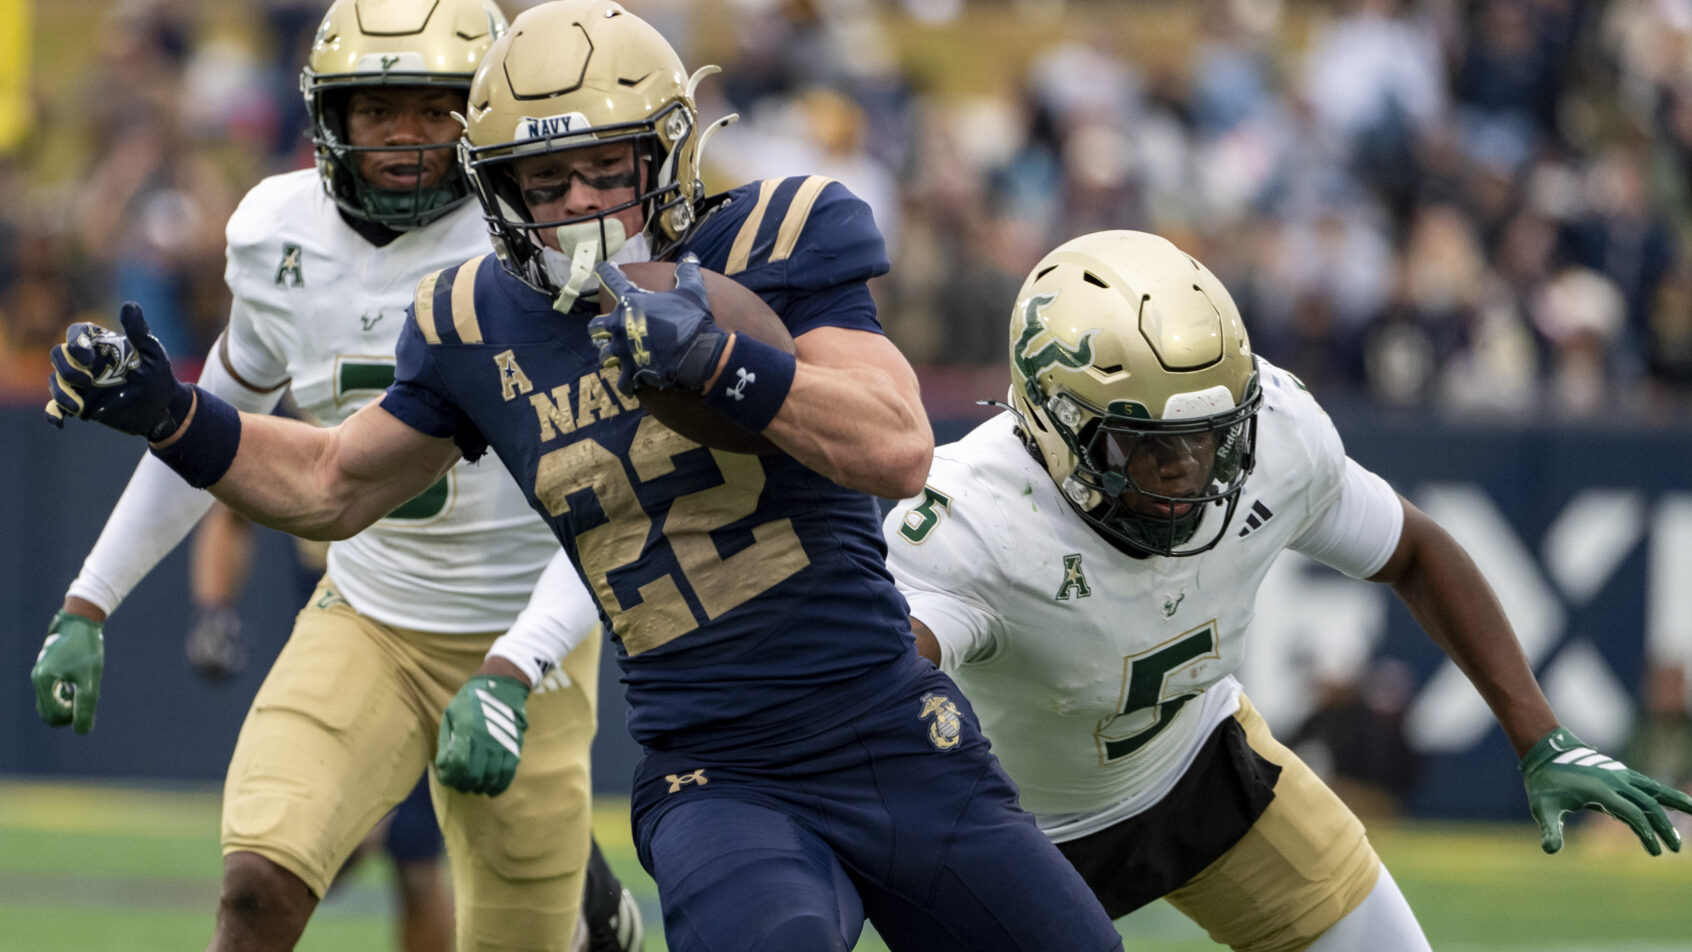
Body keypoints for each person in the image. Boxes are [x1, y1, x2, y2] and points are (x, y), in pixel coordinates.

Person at [37, 3, 1126, 951]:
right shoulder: (474, 318)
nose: (578, 206)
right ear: (497, 189)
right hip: (717, 770)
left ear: (668, 155)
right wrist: (174, 415)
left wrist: (722, 360)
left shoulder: (779, 238)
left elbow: (896, 447)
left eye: (606, 169)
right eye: (543, 181)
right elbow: (329, 480)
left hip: (885, 724)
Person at [881, 229, 1692, 952]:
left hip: (1202, 765)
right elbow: (859, 693)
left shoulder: (1277, 429)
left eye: (1207, 439)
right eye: (1143, 444)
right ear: (1053, 424)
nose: (1184, 470)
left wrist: (1539, 735)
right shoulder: (973, 522)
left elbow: (1413, 549)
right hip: (1015, 831)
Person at [29, 1, 643, 950]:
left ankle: (588, 919)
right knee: (256, 886)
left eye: (433, 110)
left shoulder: (544, 242)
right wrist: (89, 599)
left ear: (478, 114)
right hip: (368, 614)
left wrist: (518, 664)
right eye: (376, 109)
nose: (404, 137)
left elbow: (616, 497)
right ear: (329, 116)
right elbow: (219, 429)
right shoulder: (279, 232)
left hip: (527, 630)